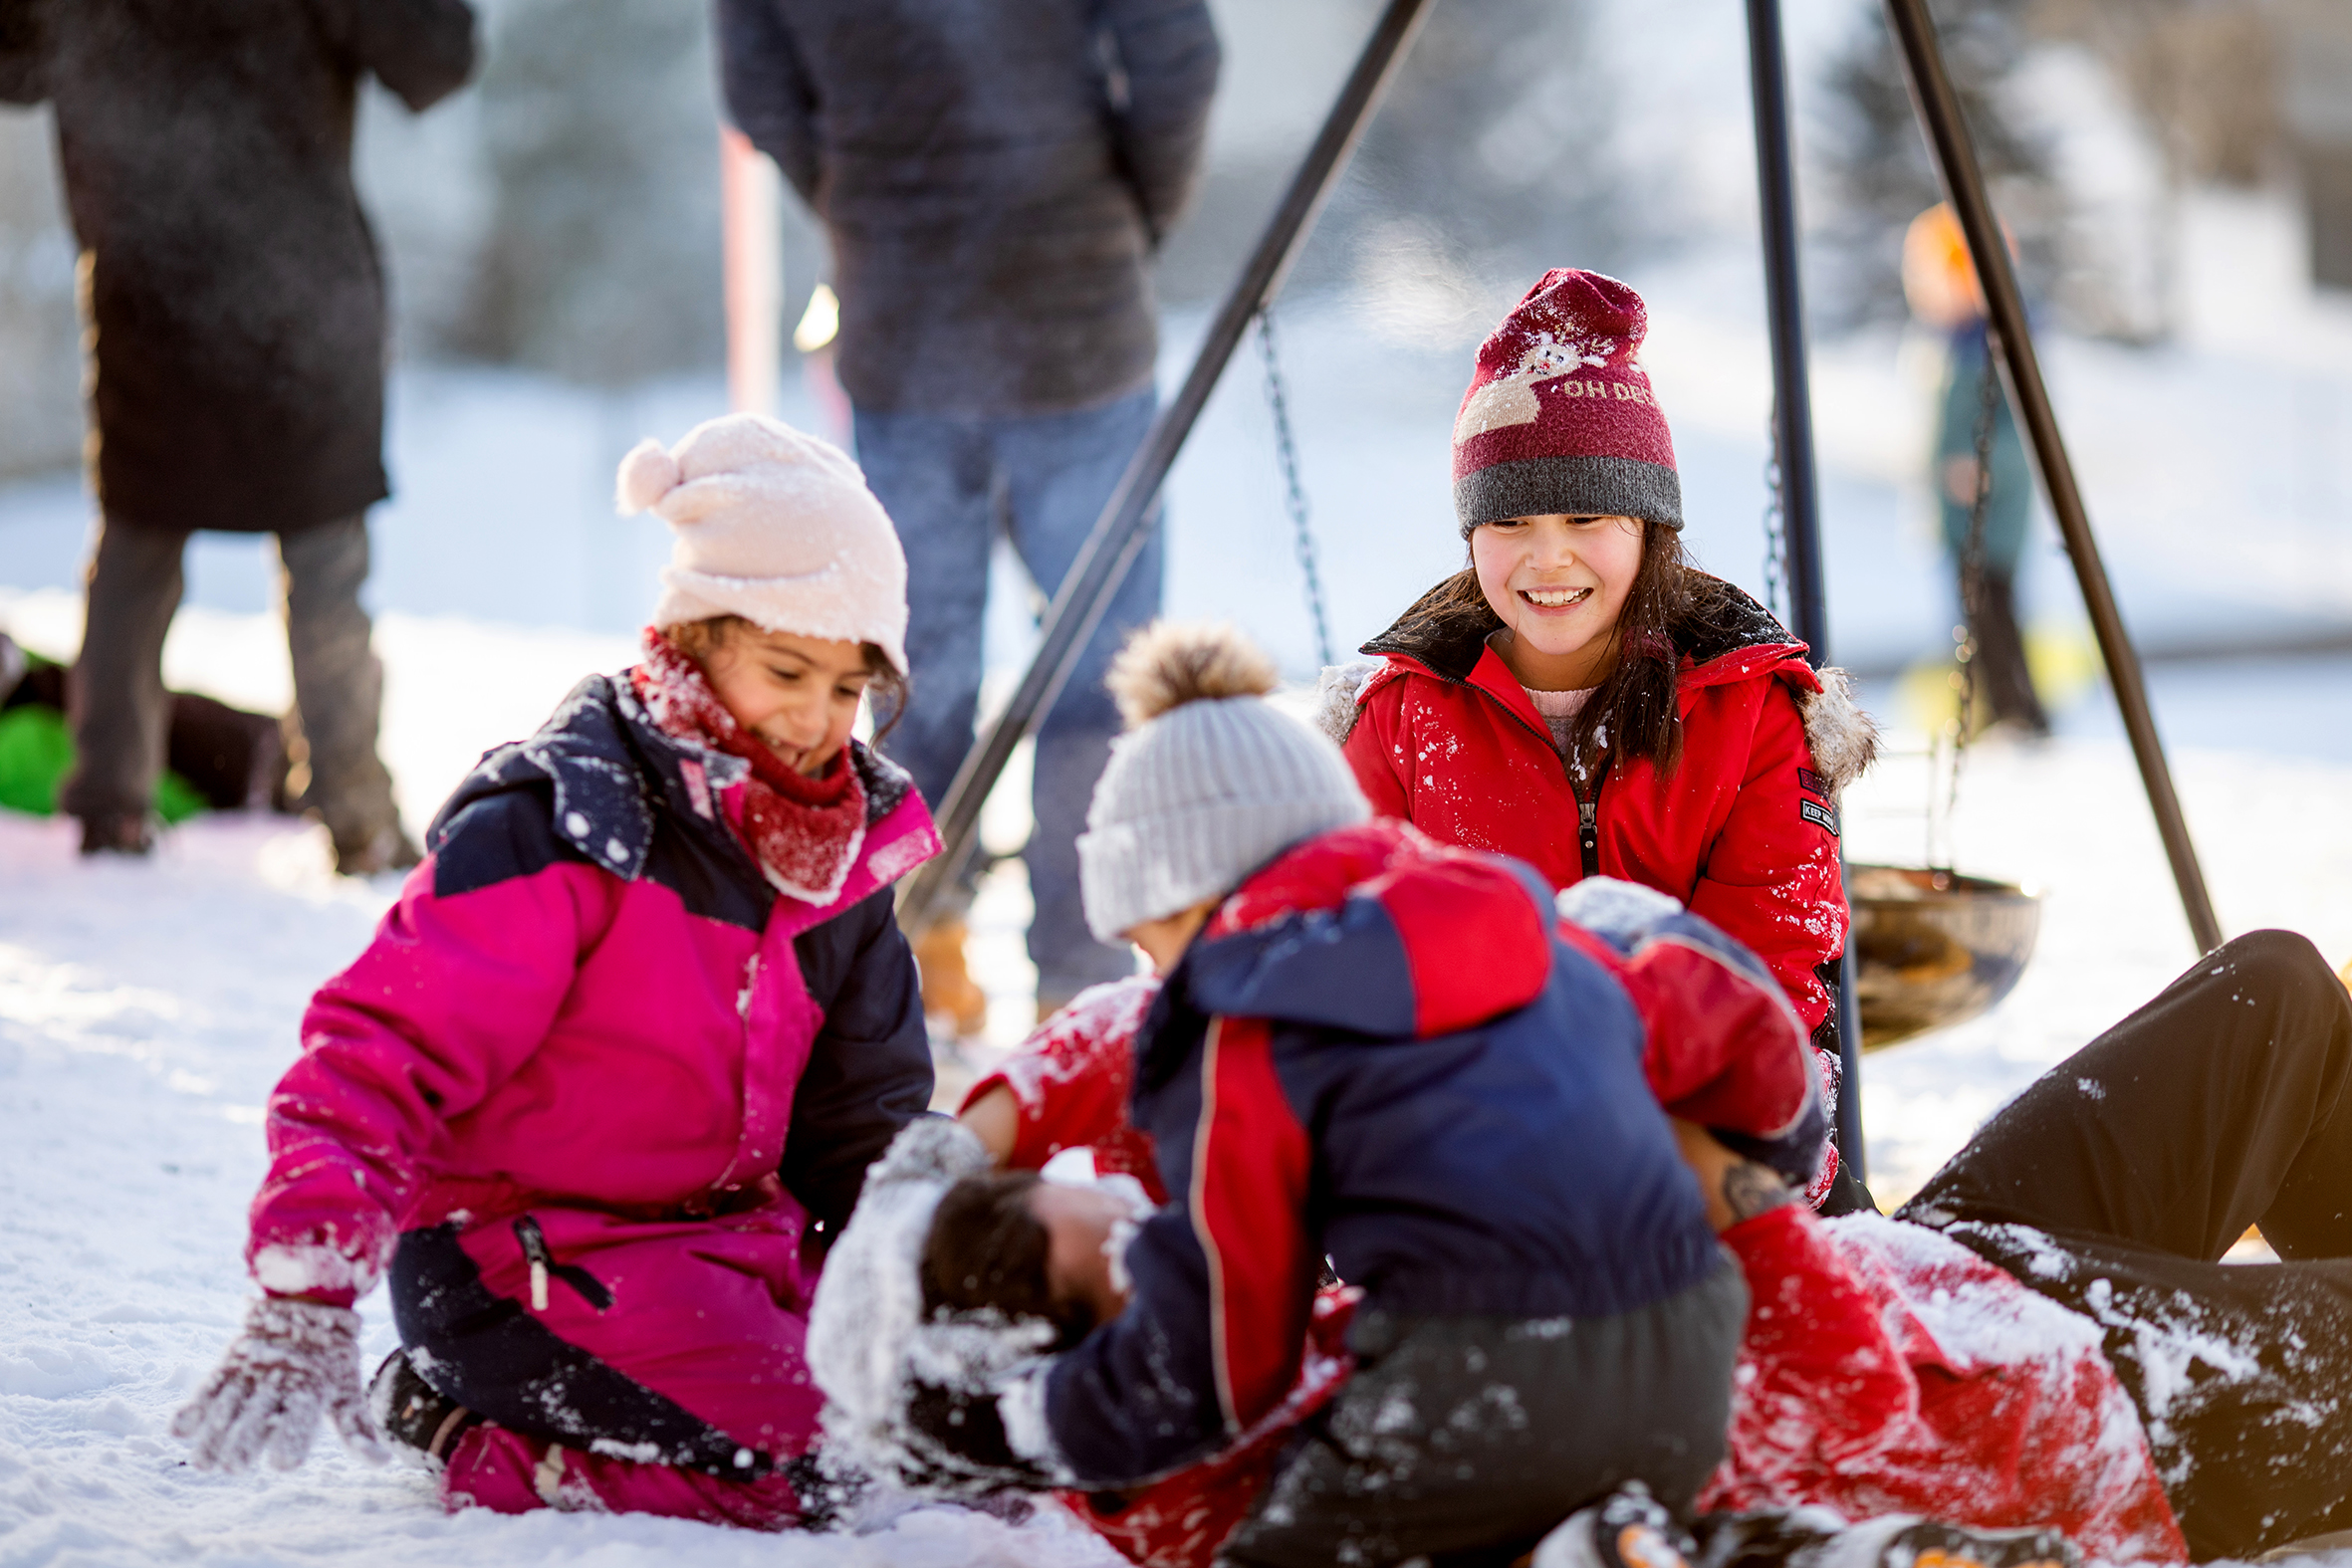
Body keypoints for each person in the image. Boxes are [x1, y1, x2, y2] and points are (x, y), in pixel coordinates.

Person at [808, 621, 1831, 1568]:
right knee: (1508, 1505)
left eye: (1146, 940)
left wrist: (1028, 1421)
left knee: (1284, 1550)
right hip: (1697, 1337)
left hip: (1479, 1367)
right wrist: (1773, 1160)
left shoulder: (1237, 1025)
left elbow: (1222, 1354)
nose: (1151, 975)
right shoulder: (1516, 920)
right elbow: (1736, 1023)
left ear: (1186, 897)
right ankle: (1746, 1550)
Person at [904, 920, 2352, 1567]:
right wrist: (1709, 1182)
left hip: (1949, 1279)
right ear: (1094, 1351)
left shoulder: (1226, 1361)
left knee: (2271, 988)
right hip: (2050, 1425)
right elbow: (1828, 1392)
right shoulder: (1351, 1467)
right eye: (1097, 1232)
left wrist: (963, 1137)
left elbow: (1165, 1027)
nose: (1129, 1203)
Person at [168, 415, 942, 1527]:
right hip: (512, 1263)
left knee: (942, 1428)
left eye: (848, 687)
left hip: (724, 1252)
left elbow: (864, 1123)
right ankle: (458, 1430)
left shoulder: (834, 862)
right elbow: (383, 1048)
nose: (819, 722)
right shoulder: (566, 826)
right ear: (696, 634)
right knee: (823, 1465)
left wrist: (911, 1286)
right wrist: (309, 1274)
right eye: (788, 672)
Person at [1323, 267, 1878, 1211]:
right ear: (1470, 535)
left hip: (1704, 1132)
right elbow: (1361, 973)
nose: (1548, 558)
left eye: (1587, 517)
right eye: (1509, 522)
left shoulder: (1748, 709)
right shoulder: (1404, 718)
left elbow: (1771, 976)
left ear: (1648, 526)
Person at [714, 0, 1221, 1026]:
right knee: (1100, 675)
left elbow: (760, 87)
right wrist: (1126, 214)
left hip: (907, 322)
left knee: (915, 673)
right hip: (1075, 318)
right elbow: (1176, 56)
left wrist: (866, 202)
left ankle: (919, 953)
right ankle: (1080, 988)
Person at [0, 0, 477, 871]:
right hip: (300, 302)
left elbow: (14, 65)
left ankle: (111, 809)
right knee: (322, 562)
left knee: (138, 553)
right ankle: (358, 817)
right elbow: (437, 58)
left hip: (152, 293)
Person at [1902, 203, 2048, 738]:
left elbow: (2022, 430)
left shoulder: (1998, 342)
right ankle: (1991, 709)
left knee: (1996, 608)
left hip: (1995, 511)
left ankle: (2019, 710)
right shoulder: (1946, 343)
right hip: (1955, 514)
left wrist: (1986, 467)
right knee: (1970, 611)